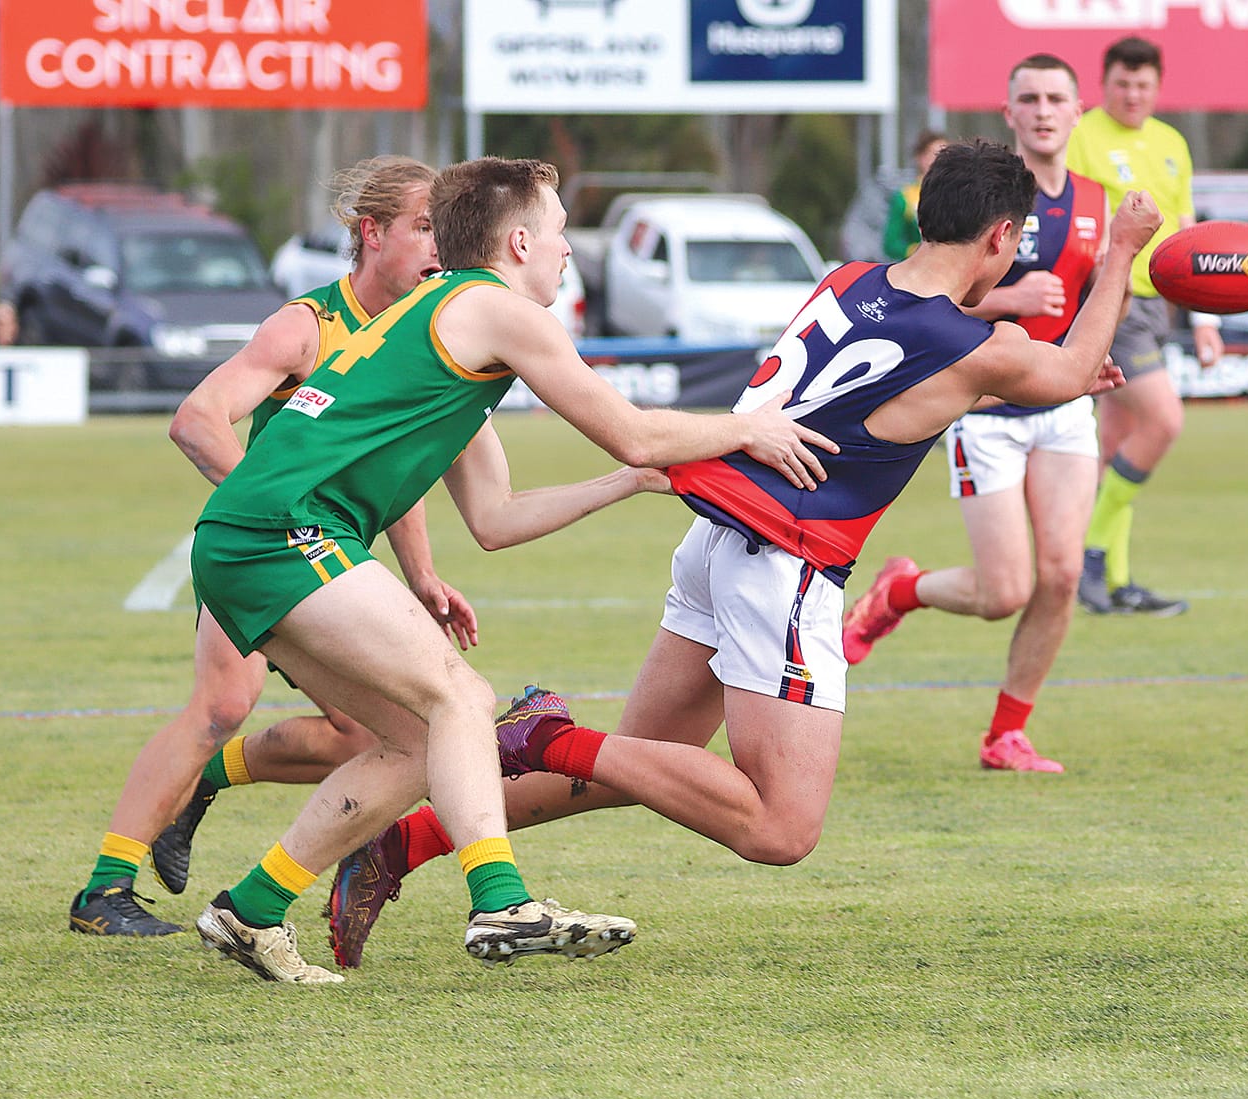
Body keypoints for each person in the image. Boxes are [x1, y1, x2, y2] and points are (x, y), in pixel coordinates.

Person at [320, 144, 1161, 969]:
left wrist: (1016, 357)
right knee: (780, 827)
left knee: (638, 767)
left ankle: (402, 843)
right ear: (1001, 239)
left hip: (715, 541)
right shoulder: (980, 346)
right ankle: (543, 733)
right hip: (784, 563)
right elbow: (1070, 365)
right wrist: (1120, 250)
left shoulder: (850, 282)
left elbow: (940, 349)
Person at [188, 155, 835, 983]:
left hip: (249, 533)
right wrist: (744, 429)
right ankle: (500, 899)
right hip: (284, 528)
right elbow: (634, 428)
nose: (569, 252)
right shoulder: (496, 309)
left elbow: (495, 520)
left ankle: (251, 908)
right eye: (561, 233)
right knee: (464, 697)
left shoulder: (442, 317)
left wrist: (624, 484)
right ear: (520, 239)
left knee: (422, 742)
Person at [67, 157, 476, 938]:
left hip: (330, 563)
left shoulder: (416, 334)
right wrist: (270, 507)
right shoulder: (306, 326)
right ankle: (104, 889)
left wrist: (423, 574)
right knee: (221, 704)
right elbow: (196, 418)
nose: (440, 245)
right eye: (426, 226)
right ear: (371, 232)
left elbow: (395, 470)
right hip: (266, 553)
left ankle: (204, 786)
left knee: (369, 734)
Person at [838, 53, 1109, 774]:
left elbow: (1100, 302)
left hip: (1062, 404)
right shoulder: (981, 196)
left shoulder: (1101, 203)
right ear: (1008, 113)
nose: (1045, 109)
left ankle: (1006, 734)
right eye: (1031, 98)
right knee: (1003, 591)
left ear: (1080, 109)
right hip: (984, 407)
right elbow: (920, 304)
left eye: (1058, 97)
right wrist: (1008, 302)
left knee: (1061, 573)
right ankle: (900, 590)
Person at [1066, 34, 1221, 616]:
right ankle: (1094, 556)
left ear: (1158, 87)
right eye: (1122, 84)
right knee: (1164, 421)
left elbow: (1187, 232)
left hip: (1163, 303)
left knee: (1117, 445)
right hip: (1114, 300)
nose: (1132, 95)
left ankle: (1117, 583)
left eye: (1143, 85)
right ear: (1104, 84)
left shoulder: (1172, 142)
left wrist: (1205, 318)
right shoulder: (1081, 136)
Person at [883, 129, 948, 260]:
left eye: (946, 153)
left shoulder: (958, 194)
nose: (941, 159)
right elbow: (890, 244)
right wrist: (915, 250)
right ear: (920, 158)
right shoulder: (905, 197)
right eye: (935, 154)